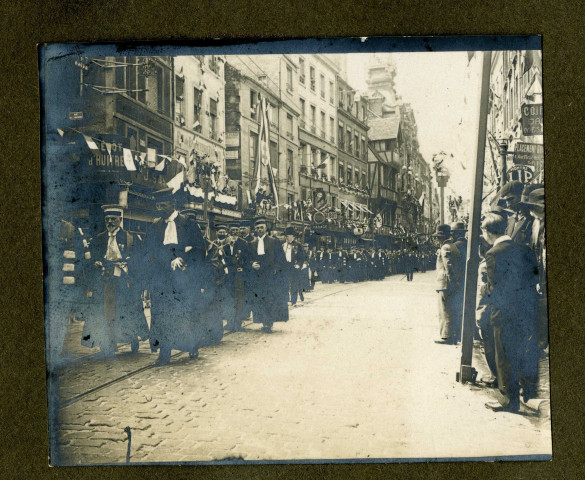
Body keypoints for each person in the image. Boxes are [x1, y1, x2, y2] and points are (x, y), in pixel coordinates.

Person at [144, 198, 217, 366]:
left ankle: (192, 345)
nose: (160, 207)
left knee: (185, 312)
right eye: (158, 205)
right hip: (162, 279)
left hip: (184, 278)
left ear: (173, 203)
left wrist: (184, 258)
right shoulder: (156, 226)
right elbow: (149, 251)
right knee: (162, 314)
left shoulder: (188, 224)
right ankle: (164, 352)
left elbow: (199, 249)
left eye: (163, 203)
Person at [481, 213, 539, 412]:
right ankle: (526, 394)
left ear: (488, 233)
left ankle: (509, 401)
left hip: (504, 313)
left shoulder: (493, 253)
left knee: (505, 357)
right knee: (522, 353)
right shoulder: (525, 250)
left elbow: (495, 287)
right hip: (525, 311)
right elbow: (534, 278)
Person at [82, 206, 149, 357]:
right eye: (107, 219)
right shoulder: (99, 238)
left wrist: (129, 263)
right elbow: (91, 258)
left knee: (126, 311)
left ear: (120, 220)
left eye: (113, 219)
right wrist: (96, 263)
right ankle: (107, 344)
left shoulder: (130, 238)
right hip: (105, 281)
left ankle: (132, 338)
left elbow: (140, 259)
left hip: (124, 282)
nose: (110, 222)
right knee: (105, 313)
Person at [247, 217, 288, 333]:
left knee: (269, 300)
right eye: (257, 228)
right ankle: (263, 321)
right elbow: (247, 259)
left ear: (266, 228)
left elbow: (280, 259)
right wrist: (252, 264)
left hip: (270, 276)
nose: (259, 230)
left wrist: (276, 269)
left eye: (261, 228)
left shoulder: (274, 241)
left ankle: (268, 323)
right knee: (259, 300)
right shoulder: (252, 243)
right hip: (257, 276)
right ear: (255, 230)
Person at [433, 224, 461, 345]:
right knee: (449, 309)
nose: (437, 239)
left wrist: (452, 282)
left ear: (442, 236)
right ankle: (451, 334)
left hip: (445, 283)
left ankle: (446, 336)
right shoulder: (453, 246)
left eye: (438, 237)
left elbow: (449, 267)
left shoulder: (445, 248)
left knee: (445, 310)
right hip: (449, 283)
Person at [450, 221, 468, 342]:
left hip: (458, 280)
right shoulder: (467, 243)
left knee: (456, 307)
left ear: (456, 234)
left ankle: (457, 333)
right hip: (466, 278)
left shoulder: (455, 245)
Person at [281, 226, 306, 306]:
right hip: (285, 266)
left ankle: (293, 300)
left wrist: (299, 265)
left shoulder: (298, 245)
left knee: (294, 284)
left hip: (294, 266)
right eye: (285, 236)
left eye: (288, 236)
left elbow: (302, 257)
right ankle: (286, 298)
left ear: (293, 236)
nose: (286, 237)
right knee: (285, 283)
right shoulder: (283, 245)